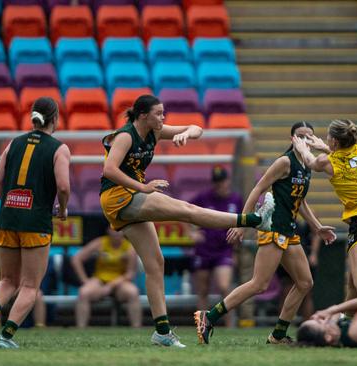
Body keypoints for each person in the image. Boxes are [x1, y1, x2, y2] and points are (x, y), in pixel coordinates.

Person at [100, 94, 275, 347]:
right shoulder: (126, 135)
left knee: (155, 263)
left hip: (131, 197)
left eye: (164, 113)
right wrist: (144, 187)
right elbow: (109, 170)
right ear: (142, 116)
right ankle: (253, 219)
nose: (163, 118)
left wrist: (187, 134)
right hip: (119, 197)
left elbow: (197, 128)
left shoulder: (156, 131)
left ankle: (162, 333)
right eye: (158, 113)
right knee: (187, 209)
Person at [194, 121, 336, 345]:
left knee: (305, 283)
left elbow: (301, 201)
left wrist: (317, 227)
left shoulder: (307, 165)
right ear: (292, 139)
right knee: (259, 284)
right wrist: (242, 223)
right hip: (273, 228)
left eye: (309, 136)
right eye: (300, 136)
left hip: (289, 230)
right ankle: (208, 317)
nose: (305, 140)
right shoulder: (284, 162)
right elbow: (258, 188)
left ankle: (277, 336)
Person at [0, 96, 70, 349]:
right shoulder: (59, 148)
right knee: (30, 286)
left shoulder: (13, 143)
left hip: (8, 218)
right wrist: (62, 206)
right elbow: (63, 185)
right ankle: (6, 336)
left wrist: (11, 203)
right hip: (36, 222)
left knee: (7, 280)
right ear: (55, 118)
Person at [292, 119, 357, 301]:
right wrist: (324, 146)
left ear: (335, 141)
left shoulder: (327, 161)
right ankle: (346, 323)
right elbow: (343, 159)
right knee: (352, 287)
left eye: (328, 137)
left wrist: (303, 148)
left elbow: (311, 162)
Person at [189, 166, 243, 327]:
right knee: (202, 291)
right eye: (217, 182)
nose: (220, 185)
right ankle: (202, 326)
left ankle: (229, 325)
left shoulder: (236, 199)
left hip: (224, 249)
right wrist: (191, 232)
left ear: (228, 181)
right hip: (204, 249)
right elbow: (184, 211)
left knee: (224, 286)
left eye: (223, 181)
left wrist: (237, 248)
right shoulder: (203, 197)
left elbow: (243, 222)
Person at [71, 228, 141, 328]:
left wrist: (111, 286)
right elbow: (76, 259)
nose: (116, 233)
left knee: (133, 292)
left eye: (119, 230)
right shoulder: (100, 242)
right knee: (83, 292)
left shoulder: (129, 247)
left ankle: (136, 328)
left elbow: (130, 274)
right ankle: (81, 329)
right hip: (100, 280)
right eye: (113, 230)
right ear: (108, 231)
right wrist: (84, 280)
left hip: (120, 282)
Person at [0, 245, 47, 328]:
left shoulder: (24, 250)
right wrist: (3, 285)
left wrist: (17, 286)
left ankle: (40, 325)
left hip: (18, 286)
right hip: (5, 284)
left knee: (38, 295)